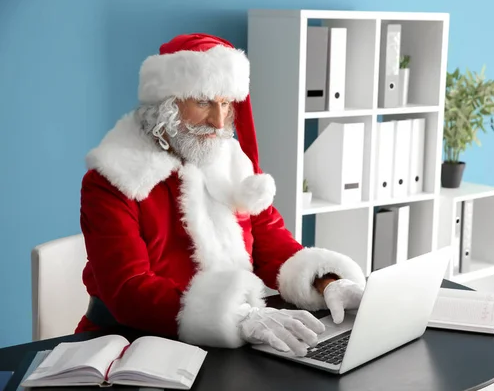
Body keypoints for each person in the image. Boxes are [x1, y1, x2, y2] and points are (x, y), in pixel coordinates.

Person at [75, 33, 366, 357]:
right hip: (127, 348)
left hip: (224, 345)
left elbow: (270, 238)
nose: (218, 121)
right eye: (203, 101)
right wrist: (239, 316)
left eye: (225, 103)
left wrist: (327, 282)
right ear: (167, 104)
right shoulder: (113, 179)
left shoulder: (230, 160)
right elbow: (128, 290)